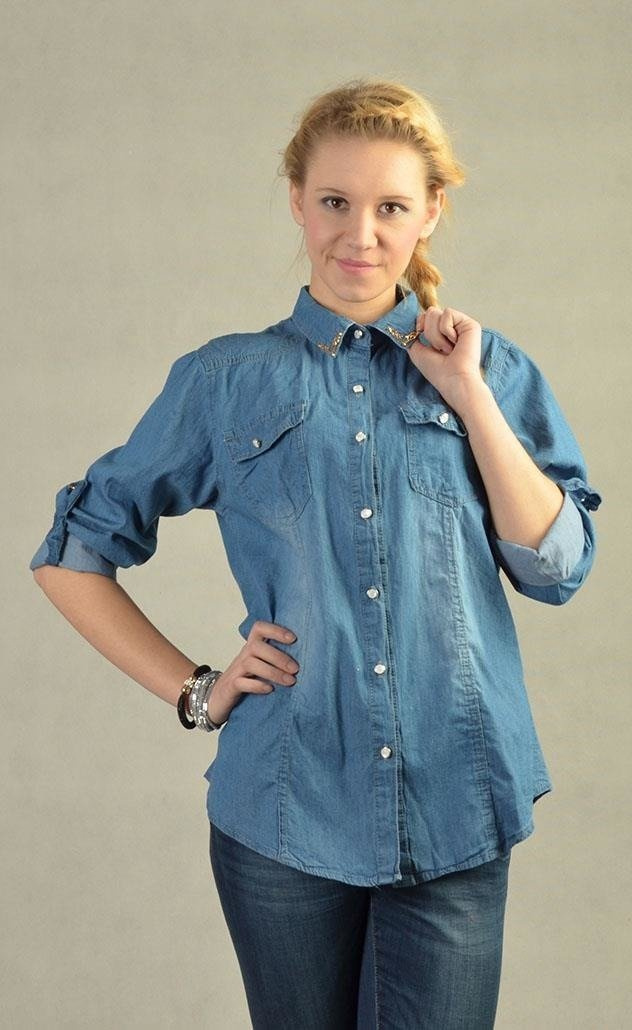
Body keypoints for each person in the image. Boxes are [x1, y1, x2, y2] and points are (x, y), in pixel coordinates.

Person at [30, 78, 601, 1029]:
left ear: (430, 213)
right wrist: (197, 690)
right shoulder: (226, 380)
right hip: (283, 809)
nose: (360, 234)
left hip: (456, 803)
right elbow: (71, 555)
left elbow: (557, 568)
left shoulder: (492, 371)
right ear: (298, 200)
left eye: (391, 207)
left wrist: (469, 395)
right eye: (336, 201)